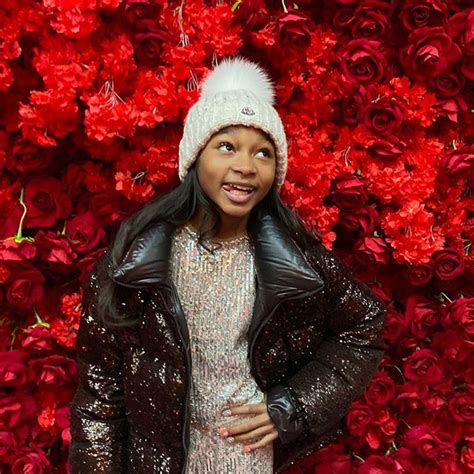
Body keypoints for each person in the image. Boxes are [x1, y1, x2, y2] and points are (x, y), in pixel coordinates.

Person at [69, 57, 388, 473]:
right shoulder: (141, 256)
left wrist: (293, 405)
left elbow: (364, 327)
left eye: (263, 153)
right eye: (226, 146)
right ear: (195, 156)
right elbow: (99, 391)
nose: (246, 166)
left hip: (247, 460)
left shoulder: (293, 259)